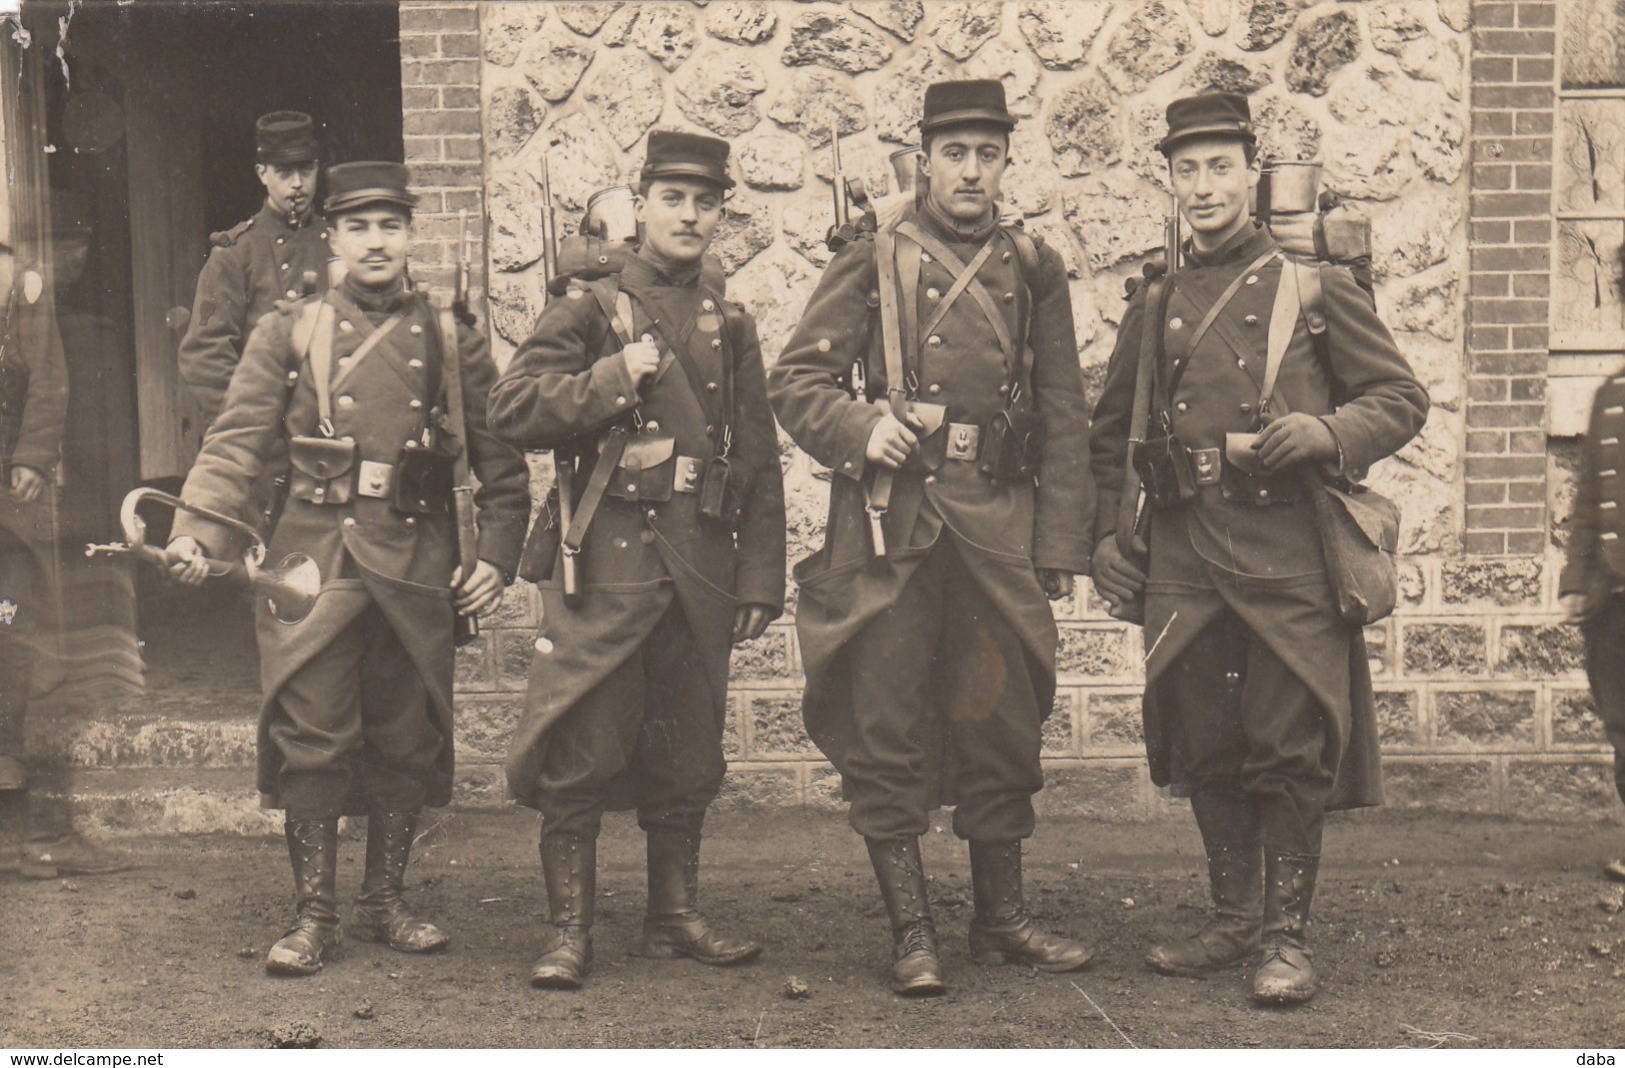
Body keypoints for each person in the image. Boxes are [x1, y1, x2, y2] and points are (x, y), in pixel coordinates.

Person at [1088, 92, 1429, 1005]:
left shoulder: (1315, 288)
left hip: (1285, 554)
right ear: (1170, 180)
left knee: (1286, 743)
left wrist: (1324, 433)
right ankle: (1231, 917)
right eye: (1185, 169)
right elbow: (1109, 430)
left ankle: (1284, 938)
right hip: (1185, 555)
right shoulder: (1155, 299)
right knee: (1205, 738)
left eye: (1219, 167)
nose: (1203, 187)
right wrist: (1104, 540)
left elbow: (1398, 399)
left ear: (1252, 174)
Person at [768, 79, 1095, 997]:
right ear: (924, 158)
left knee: (1002, 719)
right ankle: (912, 932)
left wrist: (1061, 544)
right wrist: (858, 427)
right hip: (891, 529)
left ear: (1004, 161)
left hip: (995, 525)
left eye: (987, 153)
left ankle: (1001, 921)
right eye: (954, 153)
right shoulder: (872, 258)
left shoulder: (1033, 266)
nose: (971, 171)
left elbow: (1065, 409)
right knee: (886, 718)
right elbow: (796, 381)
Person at [165, 162, 530, 976]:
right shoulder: (287, 331)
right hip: (312, 563)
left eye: (390, 225)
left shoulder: (448, 333)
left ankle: (385, 903)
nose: (375, 242)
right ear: (330, 238)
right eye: (358, 227)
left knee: (404, 733)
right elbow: (236, 442)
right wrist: (198, 534)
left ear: (410, 236)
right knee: (312, 734)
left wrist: (498, 556)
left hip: (414, 560)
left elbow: (501, 460)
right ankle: (314, 914)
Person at [490, 130, 786, 991]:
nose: (689, 215)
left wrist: (760, 577)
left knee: (687, 753)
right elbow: (513, 410)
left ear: (719, 213)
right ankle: (570, 931)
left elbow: (759, 456)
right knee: (582, 750)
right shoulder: (591, 308)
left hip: (698, 561)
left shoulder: (729, 321)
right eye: (673, 199)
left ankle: (674, 917)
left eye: (705, 202)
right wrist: (614, 377)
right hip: (608, 562)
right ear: (642, 205)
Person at [0, 237, 129, 877]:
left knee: (13, 632)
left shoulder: (19, 286)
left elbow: (48, 380)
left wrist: (27, 458)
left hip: (5, 504)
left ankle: (24, 835)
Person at [1561, 366, 1625, 883]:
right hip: (1614, 598)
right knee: (1621, 723)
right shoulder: (1611, 394)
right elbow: (1588, 500)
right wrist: (1577, 579)